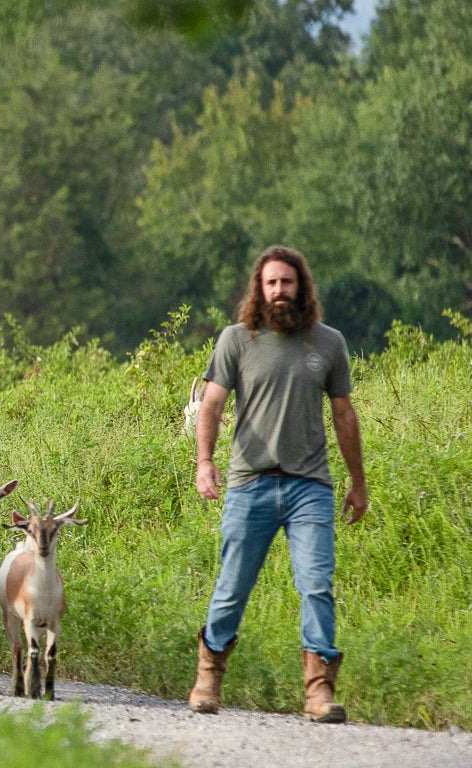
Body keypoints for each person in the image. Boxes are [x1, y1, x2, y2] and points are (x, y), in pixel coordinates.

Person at [189, 245, 368, 723]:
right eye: (271, 283)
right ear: (259, 288)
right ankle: (208, 675)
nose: (279, 291)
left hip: (310, 486)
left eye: (287, 282)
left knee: (316, 584)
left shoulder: (327, 343)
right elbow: (210, 405)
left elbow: (344, 414)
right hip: (249, 484)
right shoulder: (236, 340)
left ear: (301, 287)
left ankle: (319, 691)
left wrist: (358, 482)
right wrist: (205, 463)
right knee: (232, 586)